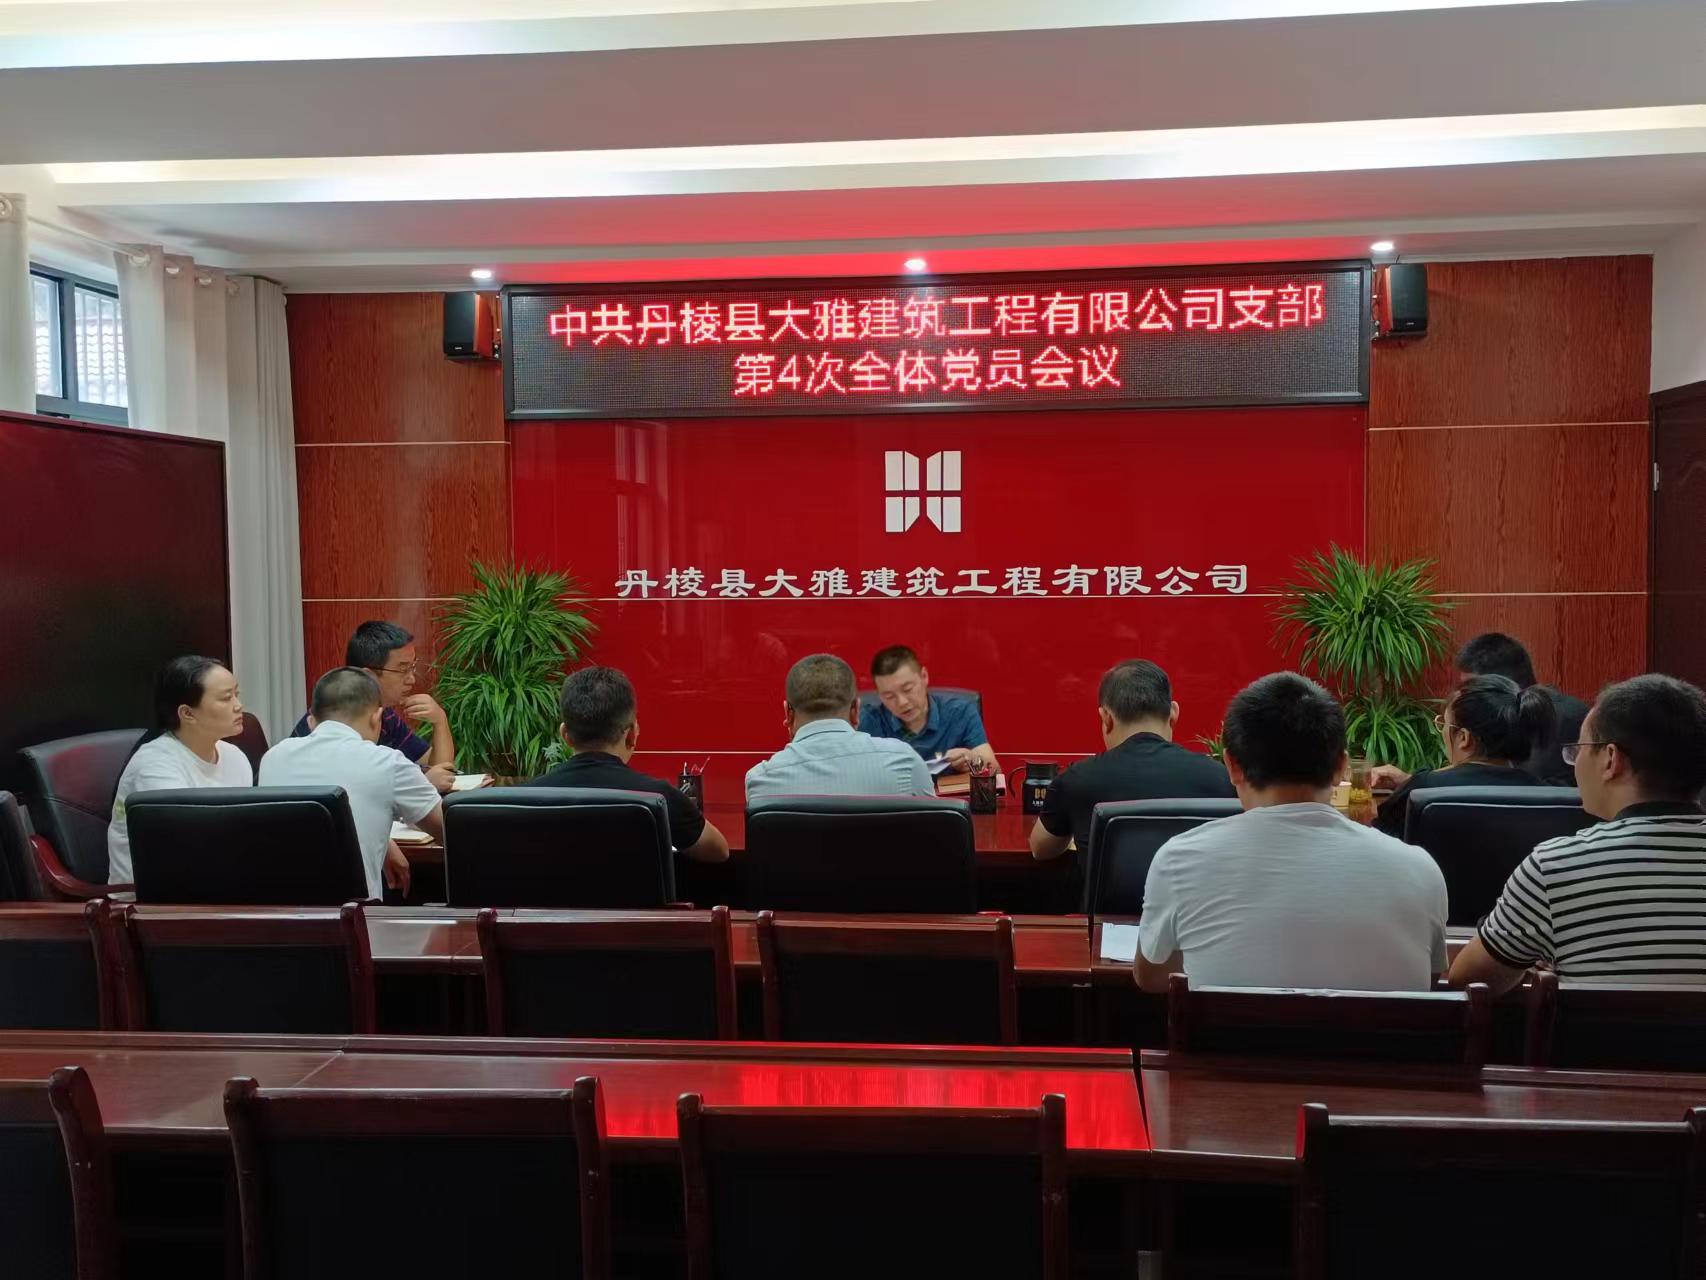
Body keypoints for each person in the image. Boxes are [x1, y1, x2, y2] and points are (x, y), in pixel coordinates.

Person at [1134, 672, 1448, 993]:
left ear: (1232, 765)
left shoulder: (1179, 860)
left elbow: (1152, 979)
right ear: (1341, 767)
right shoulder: (1420, 869)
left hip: (1231, 1029)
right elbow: (1430, 980)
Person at [1449, 674, 1706, 992]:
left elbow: (1467, 981)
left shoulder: (1555, 867)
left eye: (1579, 749)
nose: (1574, 762)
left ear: (1610, 759)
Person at [261, 667, 443, 900]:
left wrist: (383, 842)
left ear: (311, 721)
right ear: (376, 718)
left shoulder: (273, 758)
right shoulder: (387, 762)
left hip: (281, 913)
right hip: (355, 916)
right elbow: (449, 831)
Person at [1030, 660, 1235, 861]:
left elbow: (1040, 849)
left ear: (1106, 718)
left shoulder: (1076, 779)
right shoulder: (1221, 778)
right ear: (1173, 714)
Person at [532, 666, 729, 863]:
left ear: (565, 735)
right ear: (632, 735)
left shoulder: (527, 798)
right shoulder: (658, 797)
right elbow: (719, 851)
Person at [108, 656, 254, 887]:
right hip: (151, 896)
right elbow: (182, 849)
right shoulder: (154, 766)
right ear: (187, 714)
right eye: (226, 698)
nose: (238, 705)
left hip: (215, 881)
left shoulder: (235, 757)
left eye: (237, 694)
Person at [1371, 675, 1555, 837]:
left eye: (1444, 724)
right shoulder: (1547, 797)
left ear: (1464, 738)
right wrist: (1409, 781)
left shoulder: (1423, 790)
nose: (1442, 731)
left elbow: (1380, 844)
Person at [289, 621, 457, 793]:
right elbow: (346, 791)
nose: (411, 679)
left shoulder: (386, 715)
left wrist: (440, 721)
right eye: (403, 670)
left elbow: (441, 772)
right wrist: (423, 784)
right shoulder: (329, 718)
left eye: (412, 667)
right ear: (368, 675)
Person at [748, 654, 935, 800]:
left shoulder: (761, 781)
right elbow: (936, 832)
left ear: (788, 714)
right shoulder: (905, 761)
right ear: (856, 710)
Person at [1453, 632, 1588, 785]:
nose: (1465, 697)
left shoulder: (1537, 720)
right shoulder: (1575, 711)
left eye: (1471, 689)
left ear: (1498, 685)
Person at [859, 645, 998, 775]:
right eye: (889, 696)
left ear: (924, 677)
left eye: (907, 689)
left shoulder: (960, 712)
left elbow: (995, 771)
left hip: (950, 794)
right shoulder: (868, 722)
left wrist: (973, 759)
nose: (902, 702)